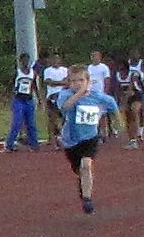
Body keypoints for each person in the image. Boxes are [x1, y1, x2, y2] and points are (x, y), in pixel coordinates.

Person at [57, 65, 119, 214]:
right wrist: (79, 93)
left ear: (88, 81)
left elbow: (112, 106)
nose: (77, 83)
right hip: (71, 140)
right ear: (69, 82)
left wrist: (116, 123)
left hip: (90, 137)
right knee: (79, 169)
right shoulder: (65, 95)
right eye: (73, 81)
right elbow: (65, 107)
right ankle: (84, 186)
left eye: (81, 80)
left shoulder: (98, 97)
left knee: (86, 165)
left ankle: (87, 199)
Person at [2, 53, 39, 152]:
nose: (25, 62)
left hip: (29, 99)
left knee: (31, 123)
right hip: (19, 100)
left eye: (27, 60)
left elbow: (34, 85)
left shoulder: (33, 73)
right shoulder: (17, 72)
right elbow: (11, 86)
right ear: (20, 61)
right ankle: (9, 145)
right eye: (23, 60)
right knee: (17, 123)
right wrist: (10, 98)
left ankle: (34, 145)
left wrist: (38, 98)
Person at [114, 60, 143, 150]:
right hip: (126, 96)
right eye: (119, 69)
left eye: (122, 69)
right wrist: (119, 101)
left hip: (137, 95)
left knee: (134, 111)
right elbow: (118, 89)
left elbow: (131, 89)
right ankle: (132, 140)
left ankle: (139, 132)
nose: (120, 71)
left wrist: (123, 104)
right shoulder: (118, 75)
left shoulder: (133, 74)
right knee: (128, 118)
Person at [43, 53, 68, 149]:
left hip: (64, 95)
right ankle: (52, 140)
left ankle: (63, 138)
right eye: (54, 59)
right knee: (53, 118)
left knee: (65, 118)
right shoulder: (48, 70)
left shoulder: (64, 70)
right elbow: (49, 82)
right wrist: (61, 83)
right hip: (53, 95)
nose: (56, 61)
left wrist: (57, 83)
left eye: (57, 59)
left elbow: (67, 81)